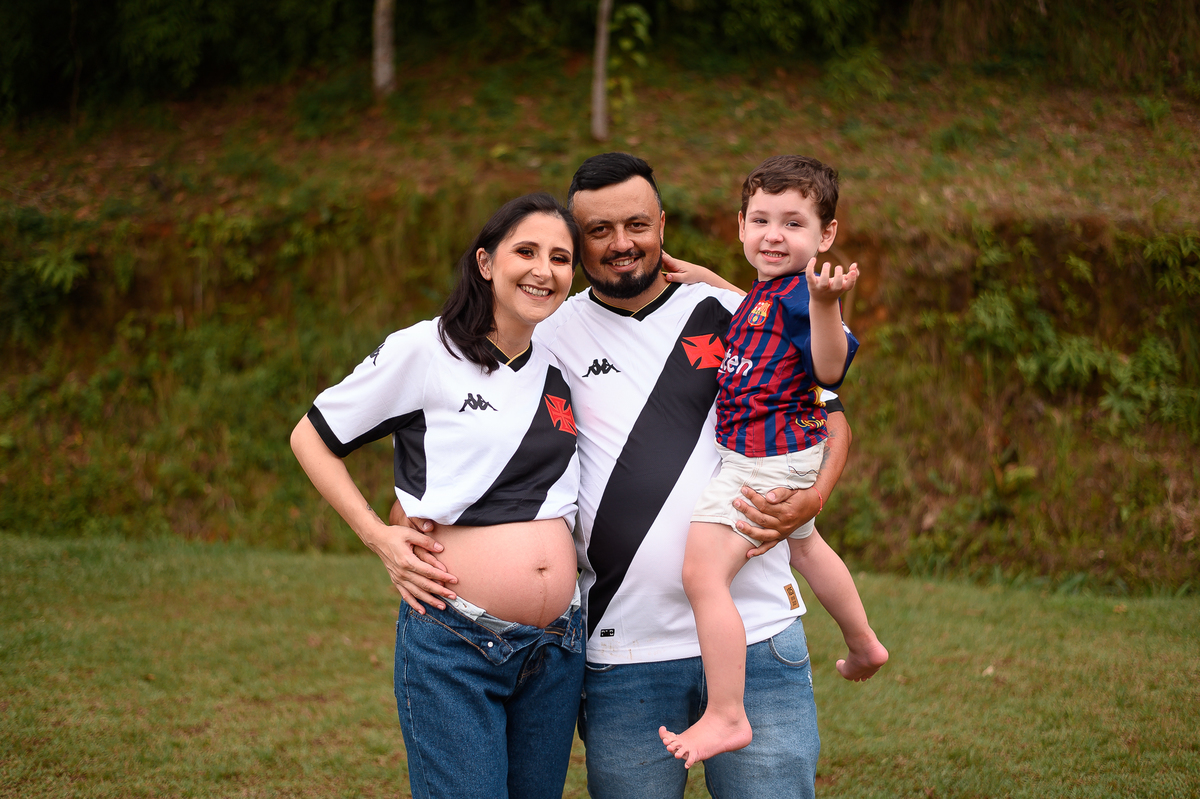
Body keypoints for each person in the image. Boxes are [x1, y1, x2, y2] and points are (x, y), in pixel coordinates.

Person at [394, 153, 851, 799]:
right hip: (624, 652)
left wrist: (816, 494)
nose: (621, 243)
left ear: (662, 222)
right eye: (599, 231)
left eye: (636, 223)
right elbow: (460, 429)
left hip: (758, 637)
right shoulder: (547, 331)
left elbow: (831, 417)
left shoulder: (734, 307)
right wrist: (401, 522)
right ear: (577, 244)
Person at [290, 192, 586, 799]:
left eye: (560, 258)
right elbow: (311, 437)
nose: (543, 269)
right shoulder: (424, 350)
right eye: (525, 251)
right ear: (484, 262)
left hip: (558, 644)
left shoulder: (563, 354)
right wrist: (378, 536)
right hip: (457, 641)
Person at [658, 154, 889, 769]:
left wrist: (828, 305)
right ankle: (864, 644)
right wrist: (707, 277)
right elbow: (752, 306)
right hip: (783, 456)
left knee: (703, 576)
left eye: (793, 223)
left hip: (762, 462)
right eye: (761, 220)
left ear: (827, 236)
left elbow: (829, 367)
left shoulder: (805, 298)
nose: (774, 235)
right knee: (808, 547)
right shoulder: (769, 293)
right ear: (740, 226)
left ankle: (728, 714)